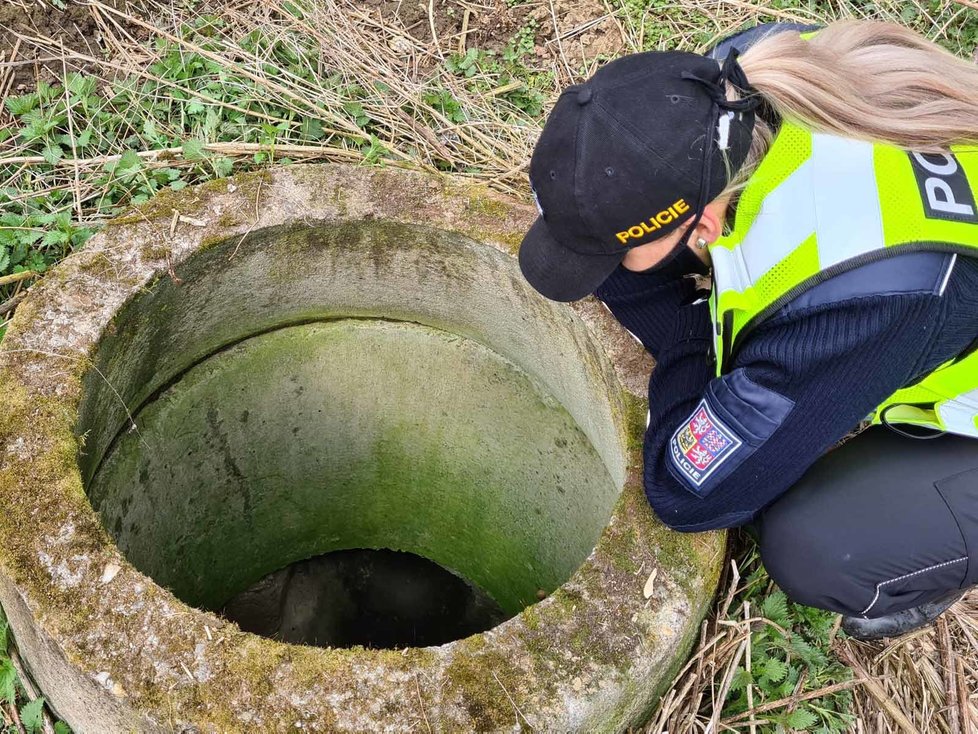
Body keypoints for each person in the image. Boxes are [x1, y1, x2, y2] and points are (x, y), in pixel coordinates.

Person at [518, 20, 978, 640]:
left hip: (930, 317)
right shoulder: (738, 80)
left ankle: (923, 570)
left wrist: (685, 341)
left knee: (820, 545)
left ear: (704, 219)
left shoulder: (865, 294)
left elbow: (689, 495)